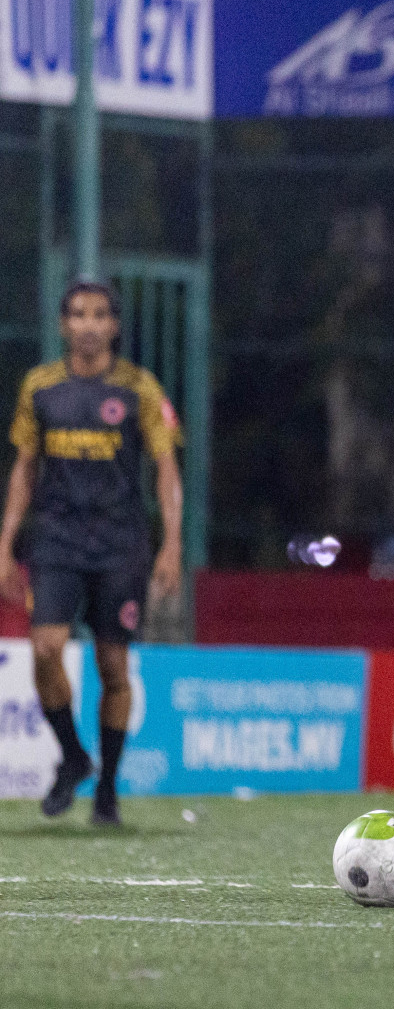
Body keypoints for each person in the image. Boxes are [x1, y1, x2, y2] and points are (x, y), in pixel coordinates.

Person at [0, 281, 183, 826]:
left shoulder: (140, 390)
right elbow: (25, 468)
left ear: (114, 326)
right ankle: (74, 757)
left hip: (120, 543)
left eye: (99, 314)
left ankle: (107, 789)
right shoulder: (40, 388)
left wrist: (171, 541)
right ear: (62, 325)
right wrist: (6, 543)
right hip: (57, 540)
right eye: (77, 314)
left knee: (113, 666)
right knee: (45, 648)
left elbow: (166, 469)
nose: (88, 323)